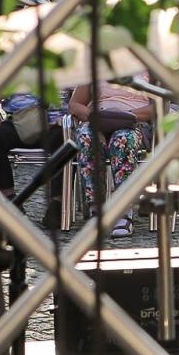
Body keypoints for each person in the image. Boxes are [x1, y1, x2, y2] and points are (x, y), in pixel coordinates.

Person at [69, 78, 157, 237]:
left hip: (134, 122)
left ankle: (123, 210)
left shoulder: (147, 68)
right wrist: (96, 117)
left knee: (121, 140)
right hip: (98, 120)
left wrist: (126, 117)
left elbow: (159, 106)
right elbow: (75, 104)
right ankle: (96, 208)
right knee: (87, 139)